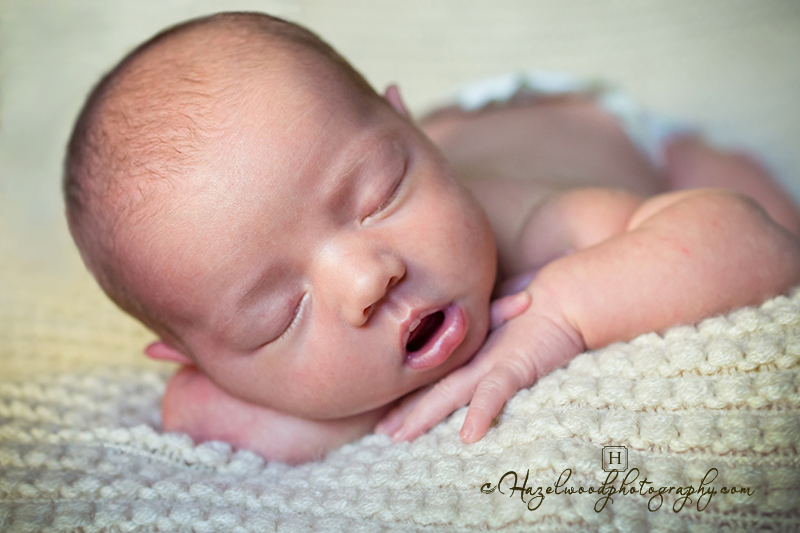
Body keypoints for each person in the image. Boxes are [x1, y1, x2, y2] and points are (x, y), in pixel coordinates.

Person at [64, 12, 800, 464]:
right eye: (280, 314)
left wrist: (563, 310)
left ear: (407, 132)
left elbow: (750, 242)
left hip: (592, 125)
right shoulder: (223, 377)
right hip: (432, 130)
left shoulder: (533, 220)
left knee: (737, 186)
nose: (366, 278)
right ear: (198, 359)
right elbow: (191, 410)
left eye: (380, 193)